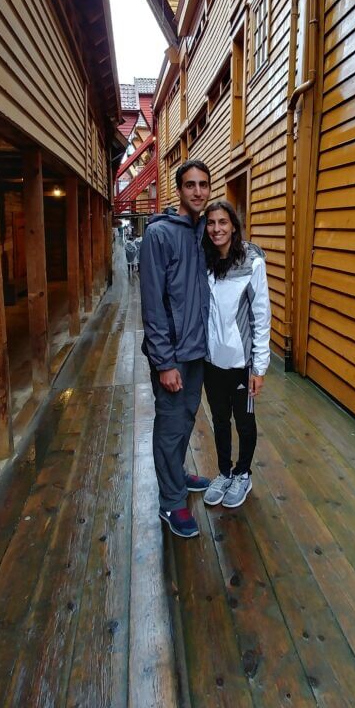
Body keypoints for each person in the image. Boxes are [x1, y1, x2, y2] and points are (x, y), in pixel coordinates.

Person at [139, 160, 212, 538]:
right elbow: (152, 304)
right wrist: (164, 362)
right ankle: (170, 502)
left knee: (185, 419)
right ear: (179, 189)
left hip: (197, 351)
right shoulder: (159, 234)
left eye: (203, 184)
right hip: (172, 355)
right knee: (169, 426)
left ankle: (177, 475)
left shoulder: (203, 231)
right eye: (190, 185)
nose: (198, 191)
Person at [202, 200, 271, 509]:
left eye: (222, 222)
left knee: (244, 421)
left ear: (233, 226)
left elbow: (261, 316)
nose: (216, 228)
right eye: (211, 223)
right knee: (219, 419)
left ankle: (243, 473)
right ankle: (224, 472)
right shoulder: (204, 261)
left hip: (242, 363)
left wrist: (259, 368)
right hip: (211, 361)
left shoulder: (252, 263)